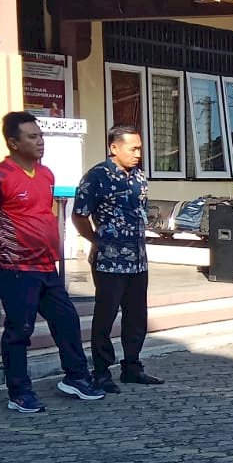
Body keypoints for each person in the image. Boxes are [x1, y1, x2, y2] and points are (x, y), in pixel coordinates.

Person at [0, 111, 104, 414]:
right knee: (20, 330)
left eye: (40, 135)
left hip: (47, 267)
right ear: (13, 143)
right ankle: (19, 392)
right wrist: (5, 245)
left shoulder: (46, 175)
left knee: (67, 321)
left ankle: (76, 378)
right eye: (32, 137)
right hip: (15, 270)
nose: (40, 142)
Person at [72, 125, 162, 394]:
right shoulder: (97, 177)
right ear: (114, 148)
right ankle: (101, 372)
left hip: (137, 260)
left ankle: (132, 367)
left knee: (136, 317)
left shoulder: (139, 177)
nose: (138, 154)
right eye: (133, 149)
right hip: (109, 261)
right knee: (105, 316)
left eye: (139, 149)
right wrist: (96, 240)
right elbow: (79, 214)